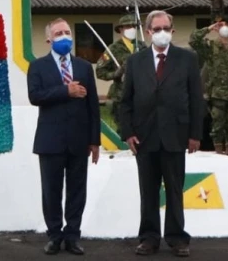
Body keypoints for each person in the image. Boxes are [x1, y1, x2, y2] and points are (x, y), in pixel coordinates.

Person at [119, 10, 204, 257]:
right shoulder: (135, 61)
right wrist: (128, 133)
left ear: (172, 31)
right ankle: (149, 238)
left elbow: (196, 99)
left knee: (175, 190)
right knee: (148, 191)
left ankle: (177, 238)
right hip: (144, 137)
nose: (162, 33)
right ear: (148, 32)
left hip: (176, 135)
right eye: (157, 29)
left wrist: (195, 134)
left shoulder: (187, 59)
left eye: (166, 28)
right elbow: (125, 101)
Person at [27, 18, 100, 256]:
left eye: (67, 32)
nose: (64, 36)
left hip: (79, 140)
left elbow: (93, 106)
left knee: (77, 190)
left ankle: (73, 236)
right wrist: (65, 90)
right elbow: (35, 96)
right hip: (50, 140)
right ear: (49, 39)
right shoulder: (38, 66)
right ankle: (54, 236)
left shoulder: (84, 67)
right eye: (59, 33)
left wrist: (95, 140)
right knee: (51, 191)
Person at [189, 18, 228, 155]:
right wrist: (209, 28)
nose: (224, 27)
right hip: (217, 92)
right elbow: (193, 40)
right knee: (218, 122)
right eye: (221, 25)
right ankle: (218, 150)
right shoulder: (211, 46)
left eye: (226, 25)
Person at [96, 14, 146, 134]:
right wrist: (116, 74)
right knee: (124, 131)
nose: (131, 29)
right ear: (121, 30)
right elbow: (100, 71)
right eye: (127, 27)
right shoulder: (113, 49)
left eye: (133, 26)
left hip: (142, 95)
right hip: (121, 97)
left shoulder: (142, 47)